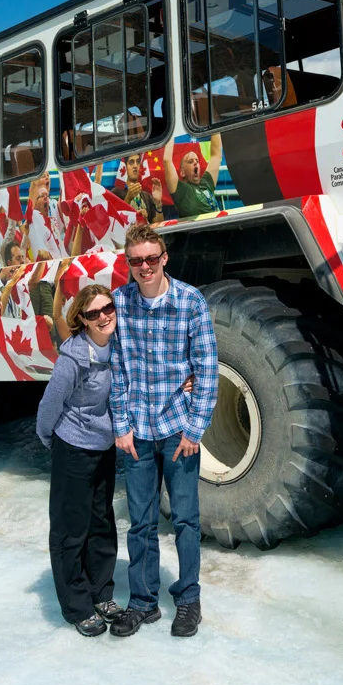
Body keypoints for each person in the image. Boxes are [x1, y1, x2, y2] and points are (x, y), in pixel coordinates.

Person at [108, 222, 218, 638]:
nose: (144, 267)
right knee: (140, 523)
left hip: (177, 432)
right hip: (137, 431)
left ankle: (188, 600)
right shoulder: (121, 302)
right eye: (136, 261)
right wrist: (121, 425)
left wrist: (195, 429)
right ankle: (143, 602)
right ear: (129, 263)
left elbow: (206, 369)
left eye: (151, 258)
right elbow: (118, 369)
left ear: (164, 257)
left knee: (186, 520)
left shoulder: (190, 302)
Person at [35, 284, 122, 637]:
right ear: (82, 321)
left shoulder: (117, 348)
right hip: (72, 447)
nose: (103, 317)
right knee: (71, 529)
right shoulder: (72, 359)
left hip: (103, 447)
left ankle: (101, 593)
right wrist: (52, 441)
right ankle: (77, 605)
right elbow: (49, 407)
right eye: (93, 313)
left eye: (107, 309)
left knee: (101, 523)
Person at [164, 134, 223, 218]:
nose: (195, 162)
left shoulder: (206, 182)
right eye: (190, 161)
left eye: (197, 161)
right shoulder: (181, 191)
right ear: (182, 173)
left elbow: (216, 155)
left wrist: (214, 122)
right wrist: (172, 130)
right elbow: (167, 160)